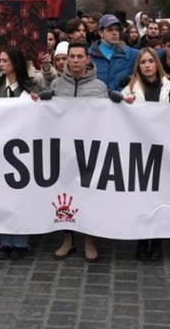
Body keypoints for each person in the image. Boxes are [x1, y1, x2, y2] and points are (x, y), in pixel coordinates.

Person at [40, 41, 122, 262]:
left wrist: (117, 103)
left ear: (88, 59)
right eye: (71, 57)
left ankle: (89, 239)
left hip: (89, 151)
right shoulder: (57, 85)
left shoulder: (99, 87)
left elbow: (108, 120)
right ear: (66, 59)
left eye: (79, 57)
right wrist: (42, 100)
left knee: (88, 195)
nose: (75, 61)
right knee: (65, 194)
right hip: (64, 151)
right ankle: (68, 239)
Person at [0, 46, 40, 260]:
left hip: (25, 150)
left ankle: (21, 240)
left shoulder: (31, 86)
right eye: (0, 61)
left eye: (4, 61)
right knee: (3, 195)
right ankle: (5, 241)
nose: (0, 64)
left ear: (15, 62)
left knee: (23, 195)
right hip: (0, 149)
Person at [122, 47, 170, 261]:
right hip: (139, 151)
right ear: (138, 66)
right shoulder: (129, 88)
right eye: (143, 62)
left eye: (150, 61)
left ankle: (157, 240)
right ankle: (142, 239)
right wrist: (123, 103)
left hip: (163, 150)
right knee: (141, 196)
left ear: (156, 63)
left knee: (160, 195)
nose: (147, 65)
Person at [88, 14, 139, 91]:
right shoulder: (89, 55)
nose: (115, 33)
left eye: (117, 29)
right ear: (101, 33)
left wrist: (132, 78)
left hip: (121, 101)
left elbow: (152, 55)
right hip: (97, 100)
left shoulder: (130, 53)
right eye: (110, 29)